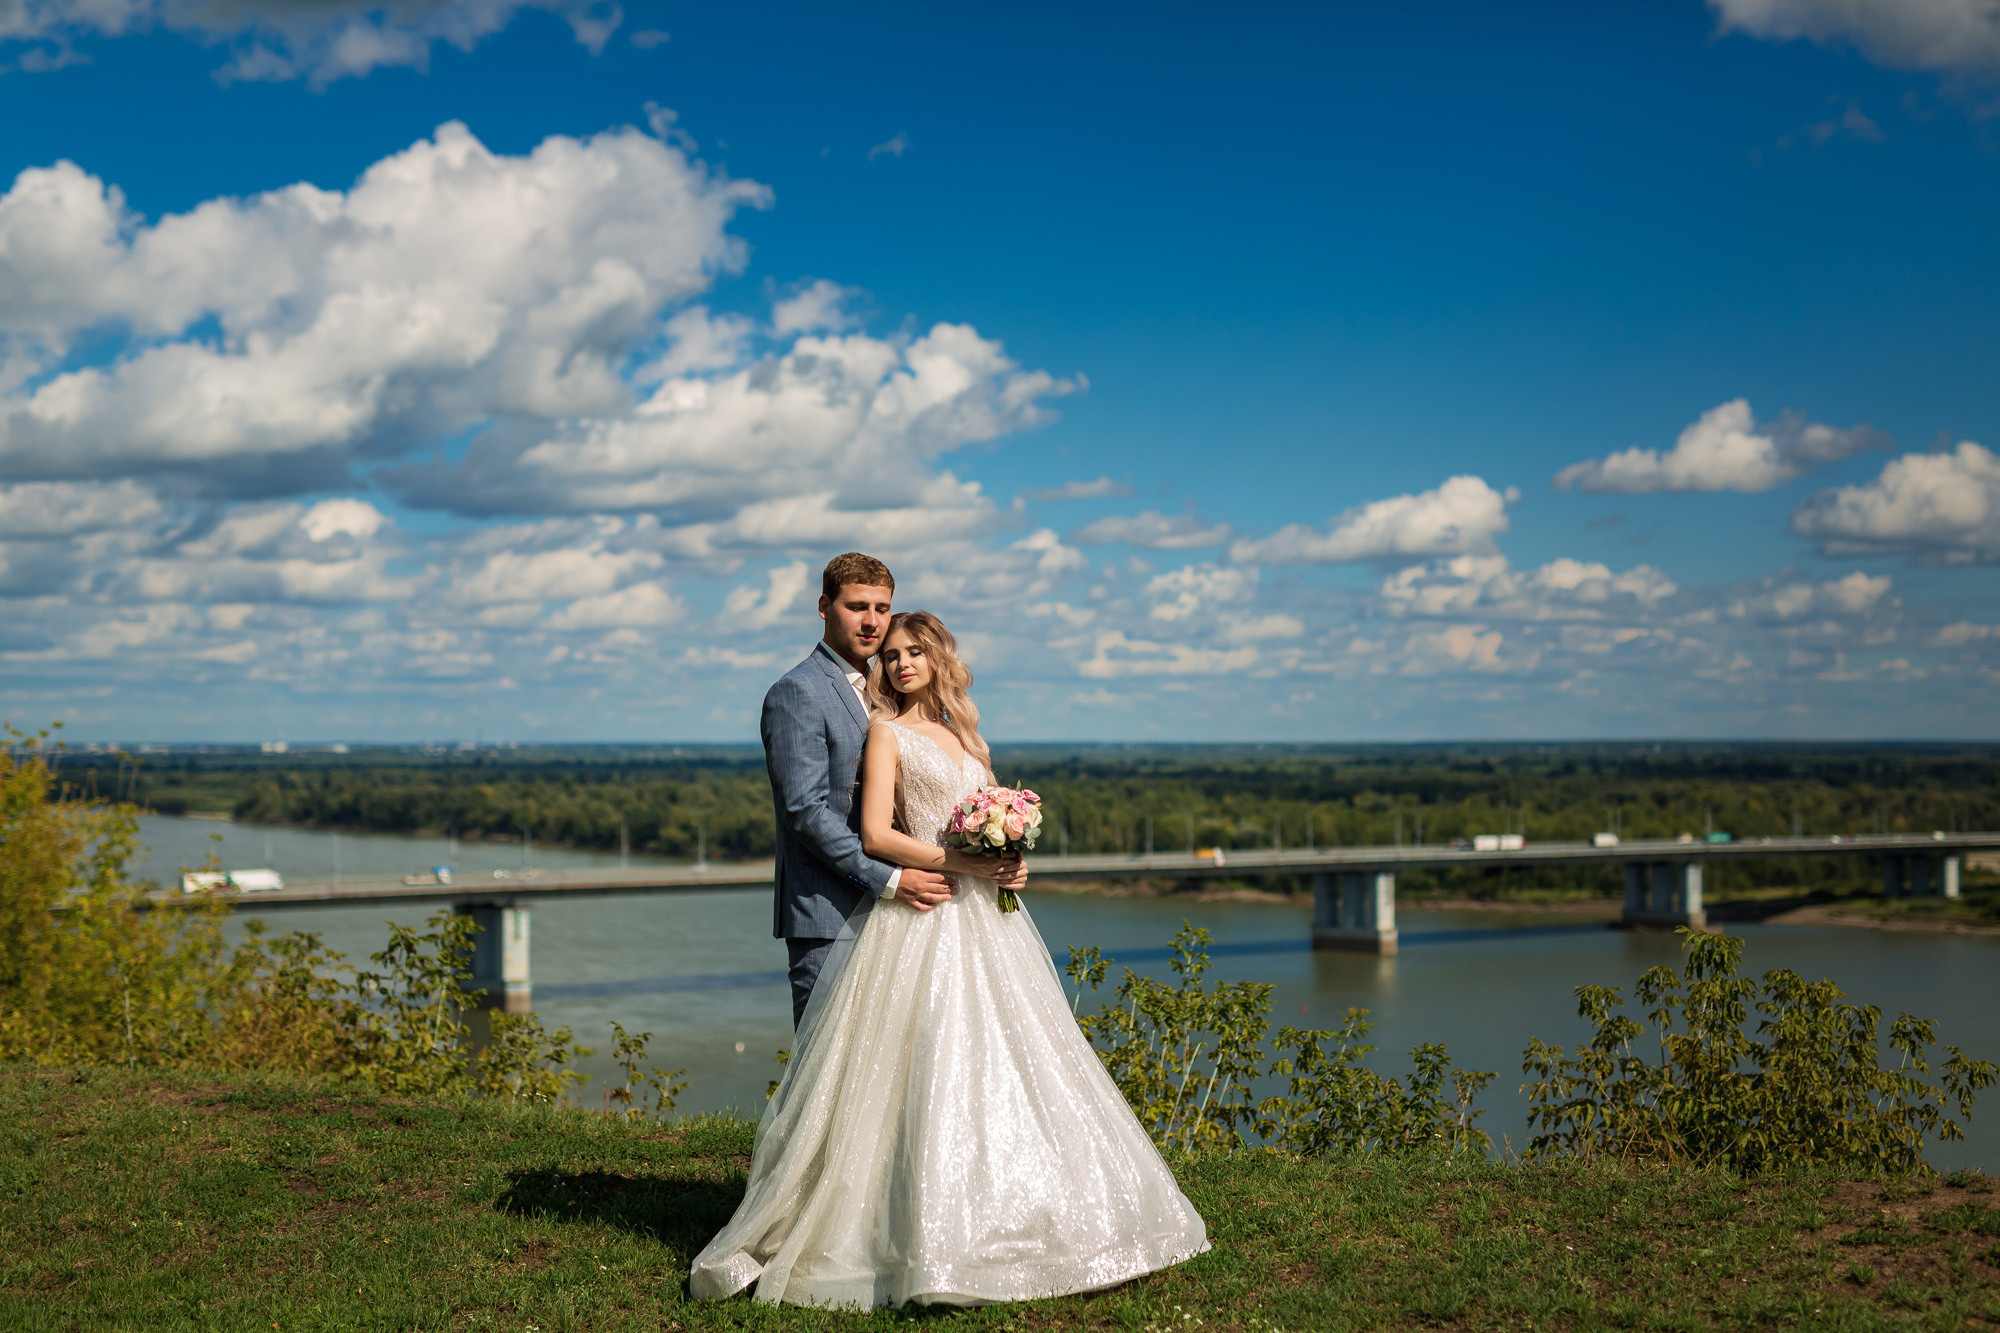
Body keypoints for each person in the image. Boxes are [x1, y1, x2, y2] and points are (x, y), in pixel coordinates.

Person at [691, 609, 1208, 1309]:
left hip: (989, 919)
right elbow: (876, 835)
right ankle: (916, 1230)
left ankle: (1022, 1205)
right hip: (926, 913)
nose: (901, 664)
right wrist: (960, 861)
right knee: (929, 1059)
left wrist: (1010, 859)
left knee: (1012, 1056)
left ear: (939, 658)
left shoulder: (969, 737)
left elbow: (985, 817)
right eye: (891, 656)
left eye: (914, 652)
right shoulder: (886, 733)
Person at [760, 553, 1015, 1026]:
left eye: (881, 608)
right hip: (832, 913)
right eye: (857, 606)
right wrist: (891, 880)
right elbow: (805, 812)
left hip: (916, 916)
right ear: (824, 607)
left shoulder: (891, 696)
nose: (871, 621)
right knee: (828, 1059)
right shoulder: (798, 691)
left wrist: (999, 854)